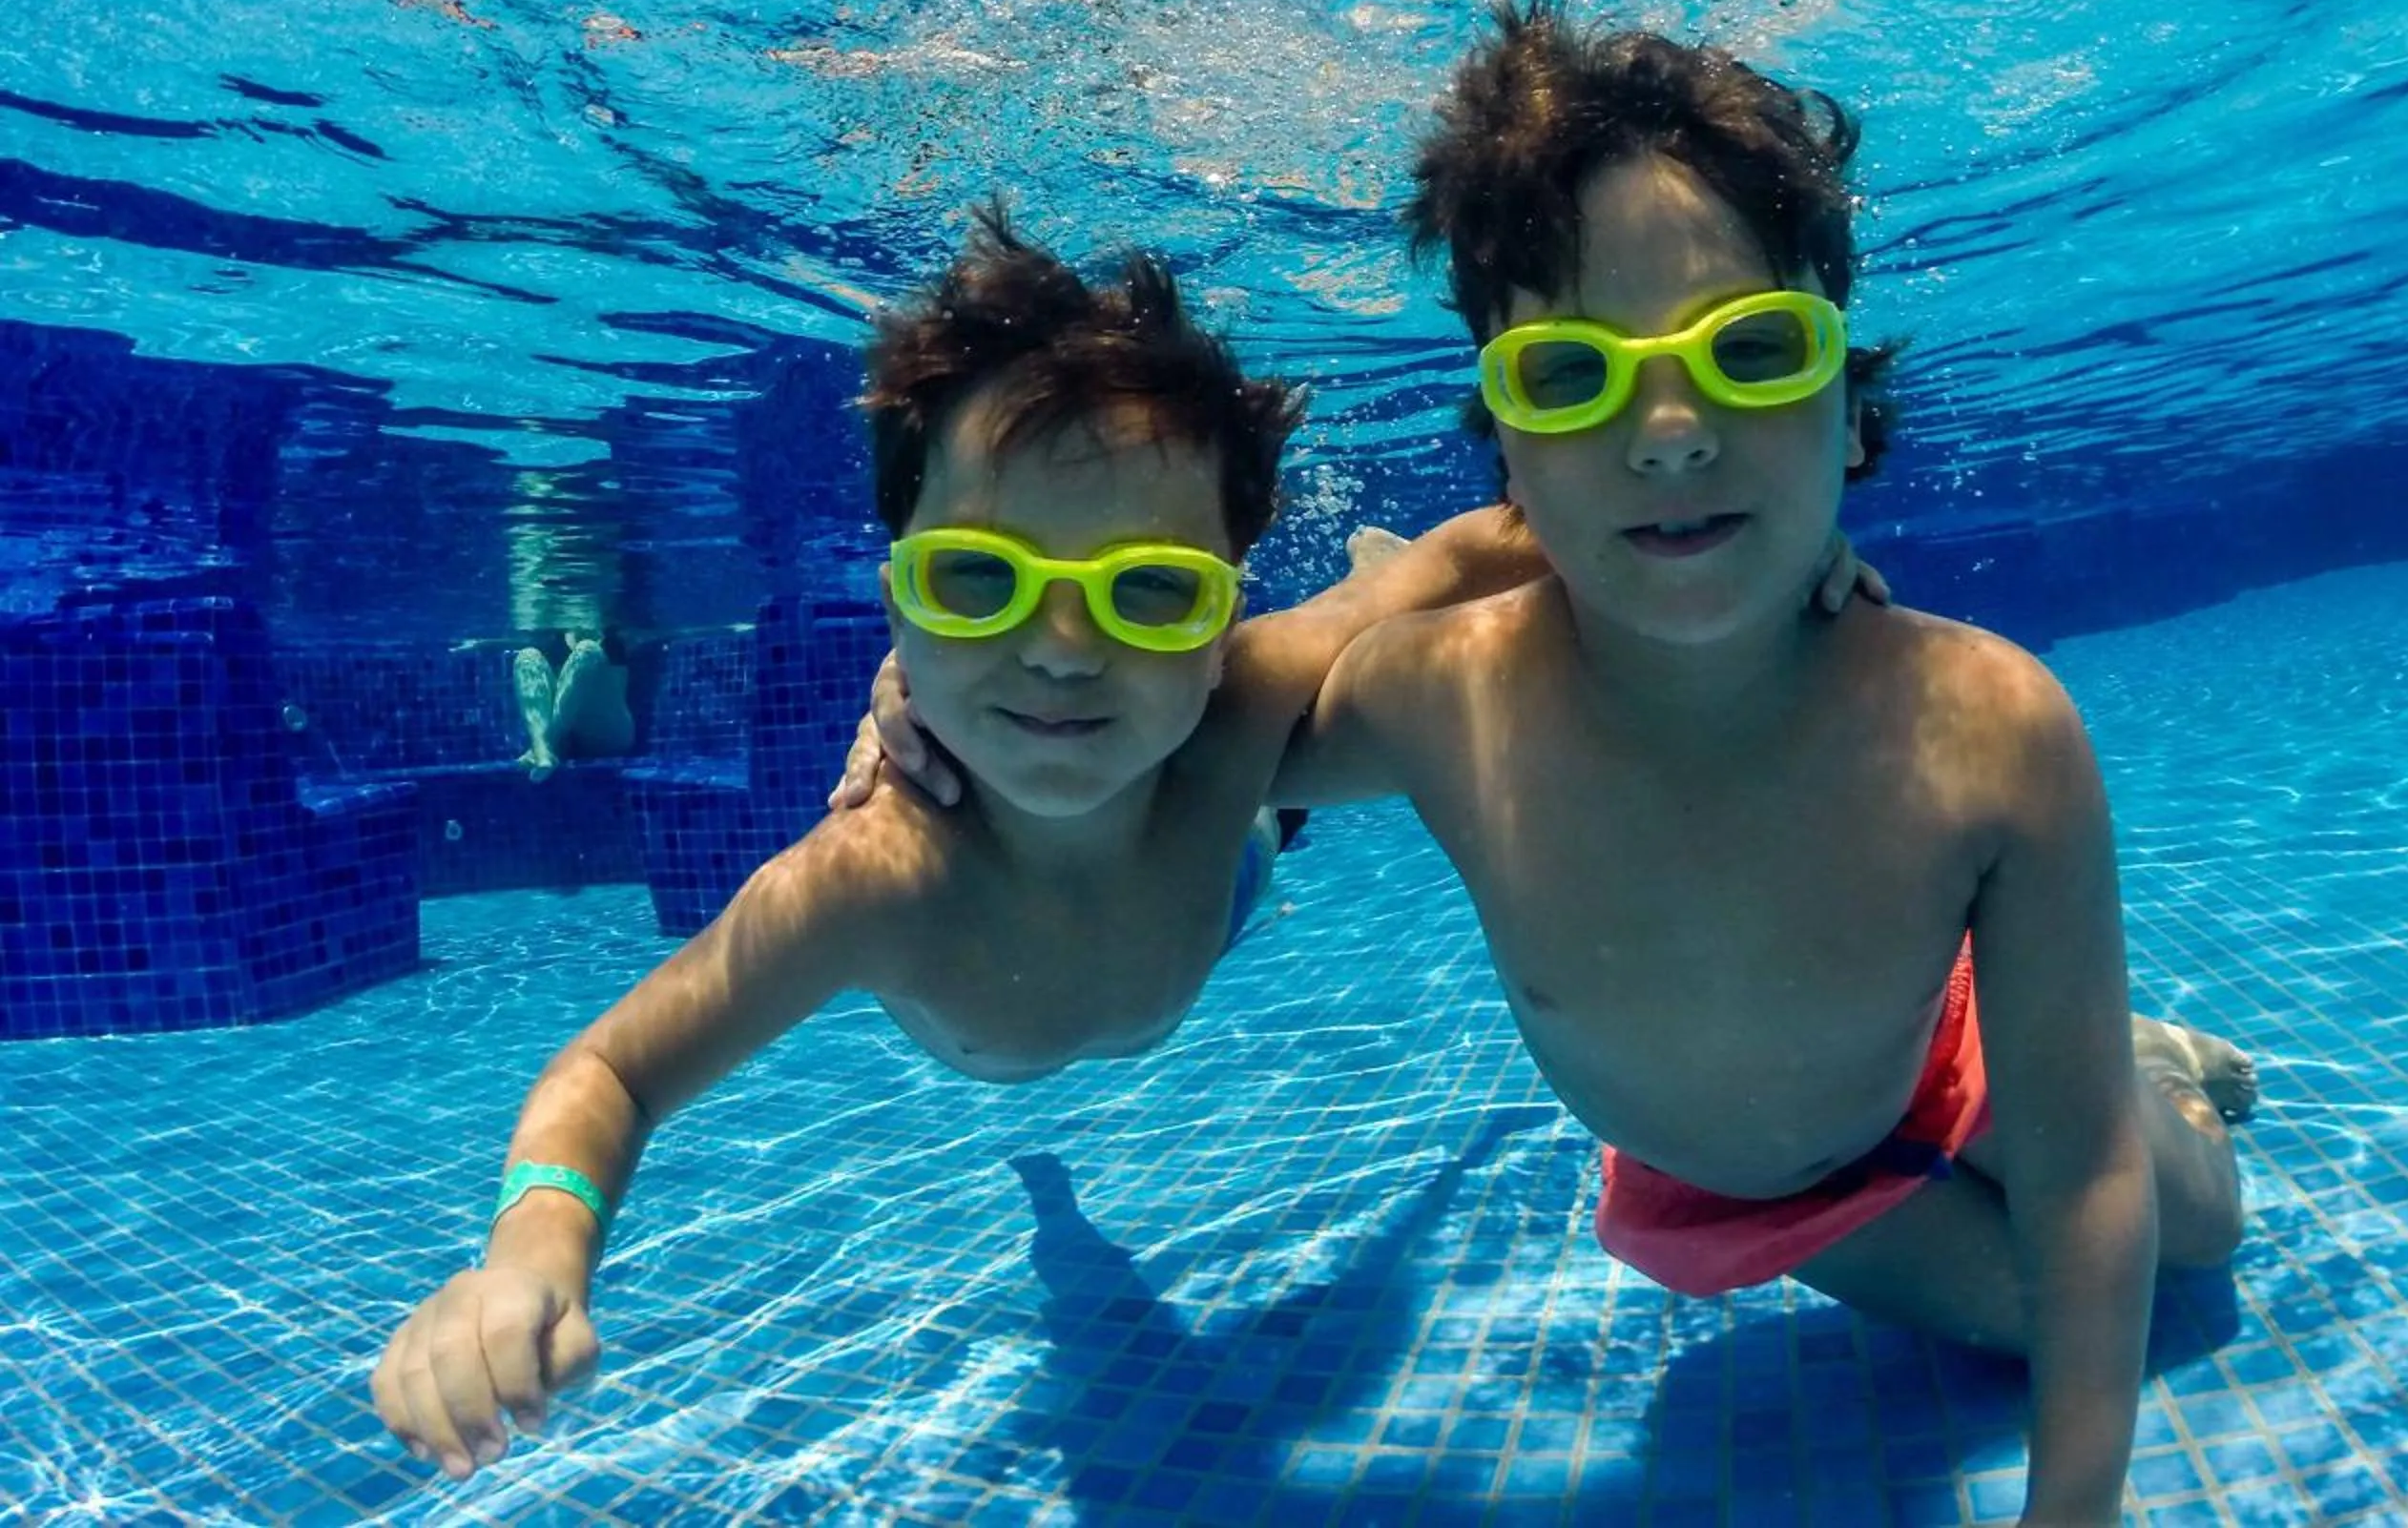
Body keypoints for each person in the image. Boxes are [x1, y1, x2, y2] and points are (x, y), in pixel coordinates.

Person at [368, 209, 1565, 1483]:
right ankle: (1059, 1196)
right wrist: (530, 1260)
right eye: (978, 582)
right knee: (1073, 1259)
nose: (1060, 647)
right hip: (1180, 870)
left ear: (1226, 616)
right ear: (900, 601)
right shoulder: (873, 880)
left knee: (1291, 797)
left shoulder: (1241, 696)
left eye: (1152, 588)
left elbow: (1457, 555)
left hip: (1222, 862)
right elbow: (610, 1072)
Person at [1277, 5, 2255, 1521]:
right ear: (1505, 444)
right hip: (1751, 1190)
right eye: (1571, 376)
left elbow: (2081, 1182)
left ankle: (2140, 1052)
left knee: (2196, 1234)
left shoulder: (1987, 721)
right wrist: (925, 702)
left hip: (1949, 1056)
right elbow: (1163, 749)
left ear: (1848, 401)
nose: (1670, 433)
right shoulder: (1435, 700)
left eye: (1750, 351)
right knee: (2037, 1325)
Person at [512, 629, 635, 773]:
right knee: (527, 656)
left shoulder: (611, 634)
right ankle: (542, 748)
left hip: (607, 734)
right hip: (566, 737)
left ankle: (544, 748)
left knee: (588, 649)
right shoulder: (553, 634)